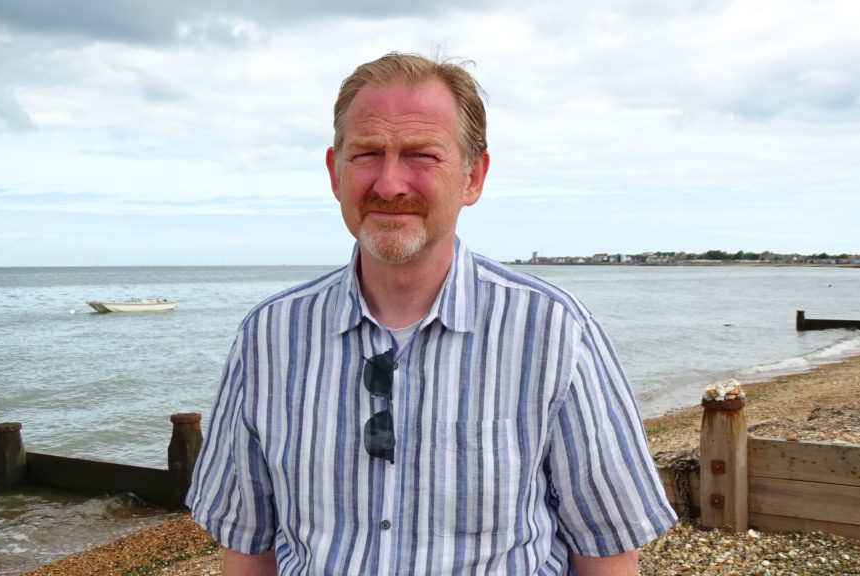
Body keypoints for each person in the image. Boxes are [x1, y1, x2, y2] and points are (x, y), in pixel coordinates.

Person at [187, 52, 676, 575]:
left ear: (473, 177)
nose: (390, 183)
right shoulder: (269, 336)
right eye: (367, 154)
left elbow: (606, 550)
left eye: (421, 155)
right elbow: (246, 543)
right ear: (334, 172)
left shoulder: (553, 332)